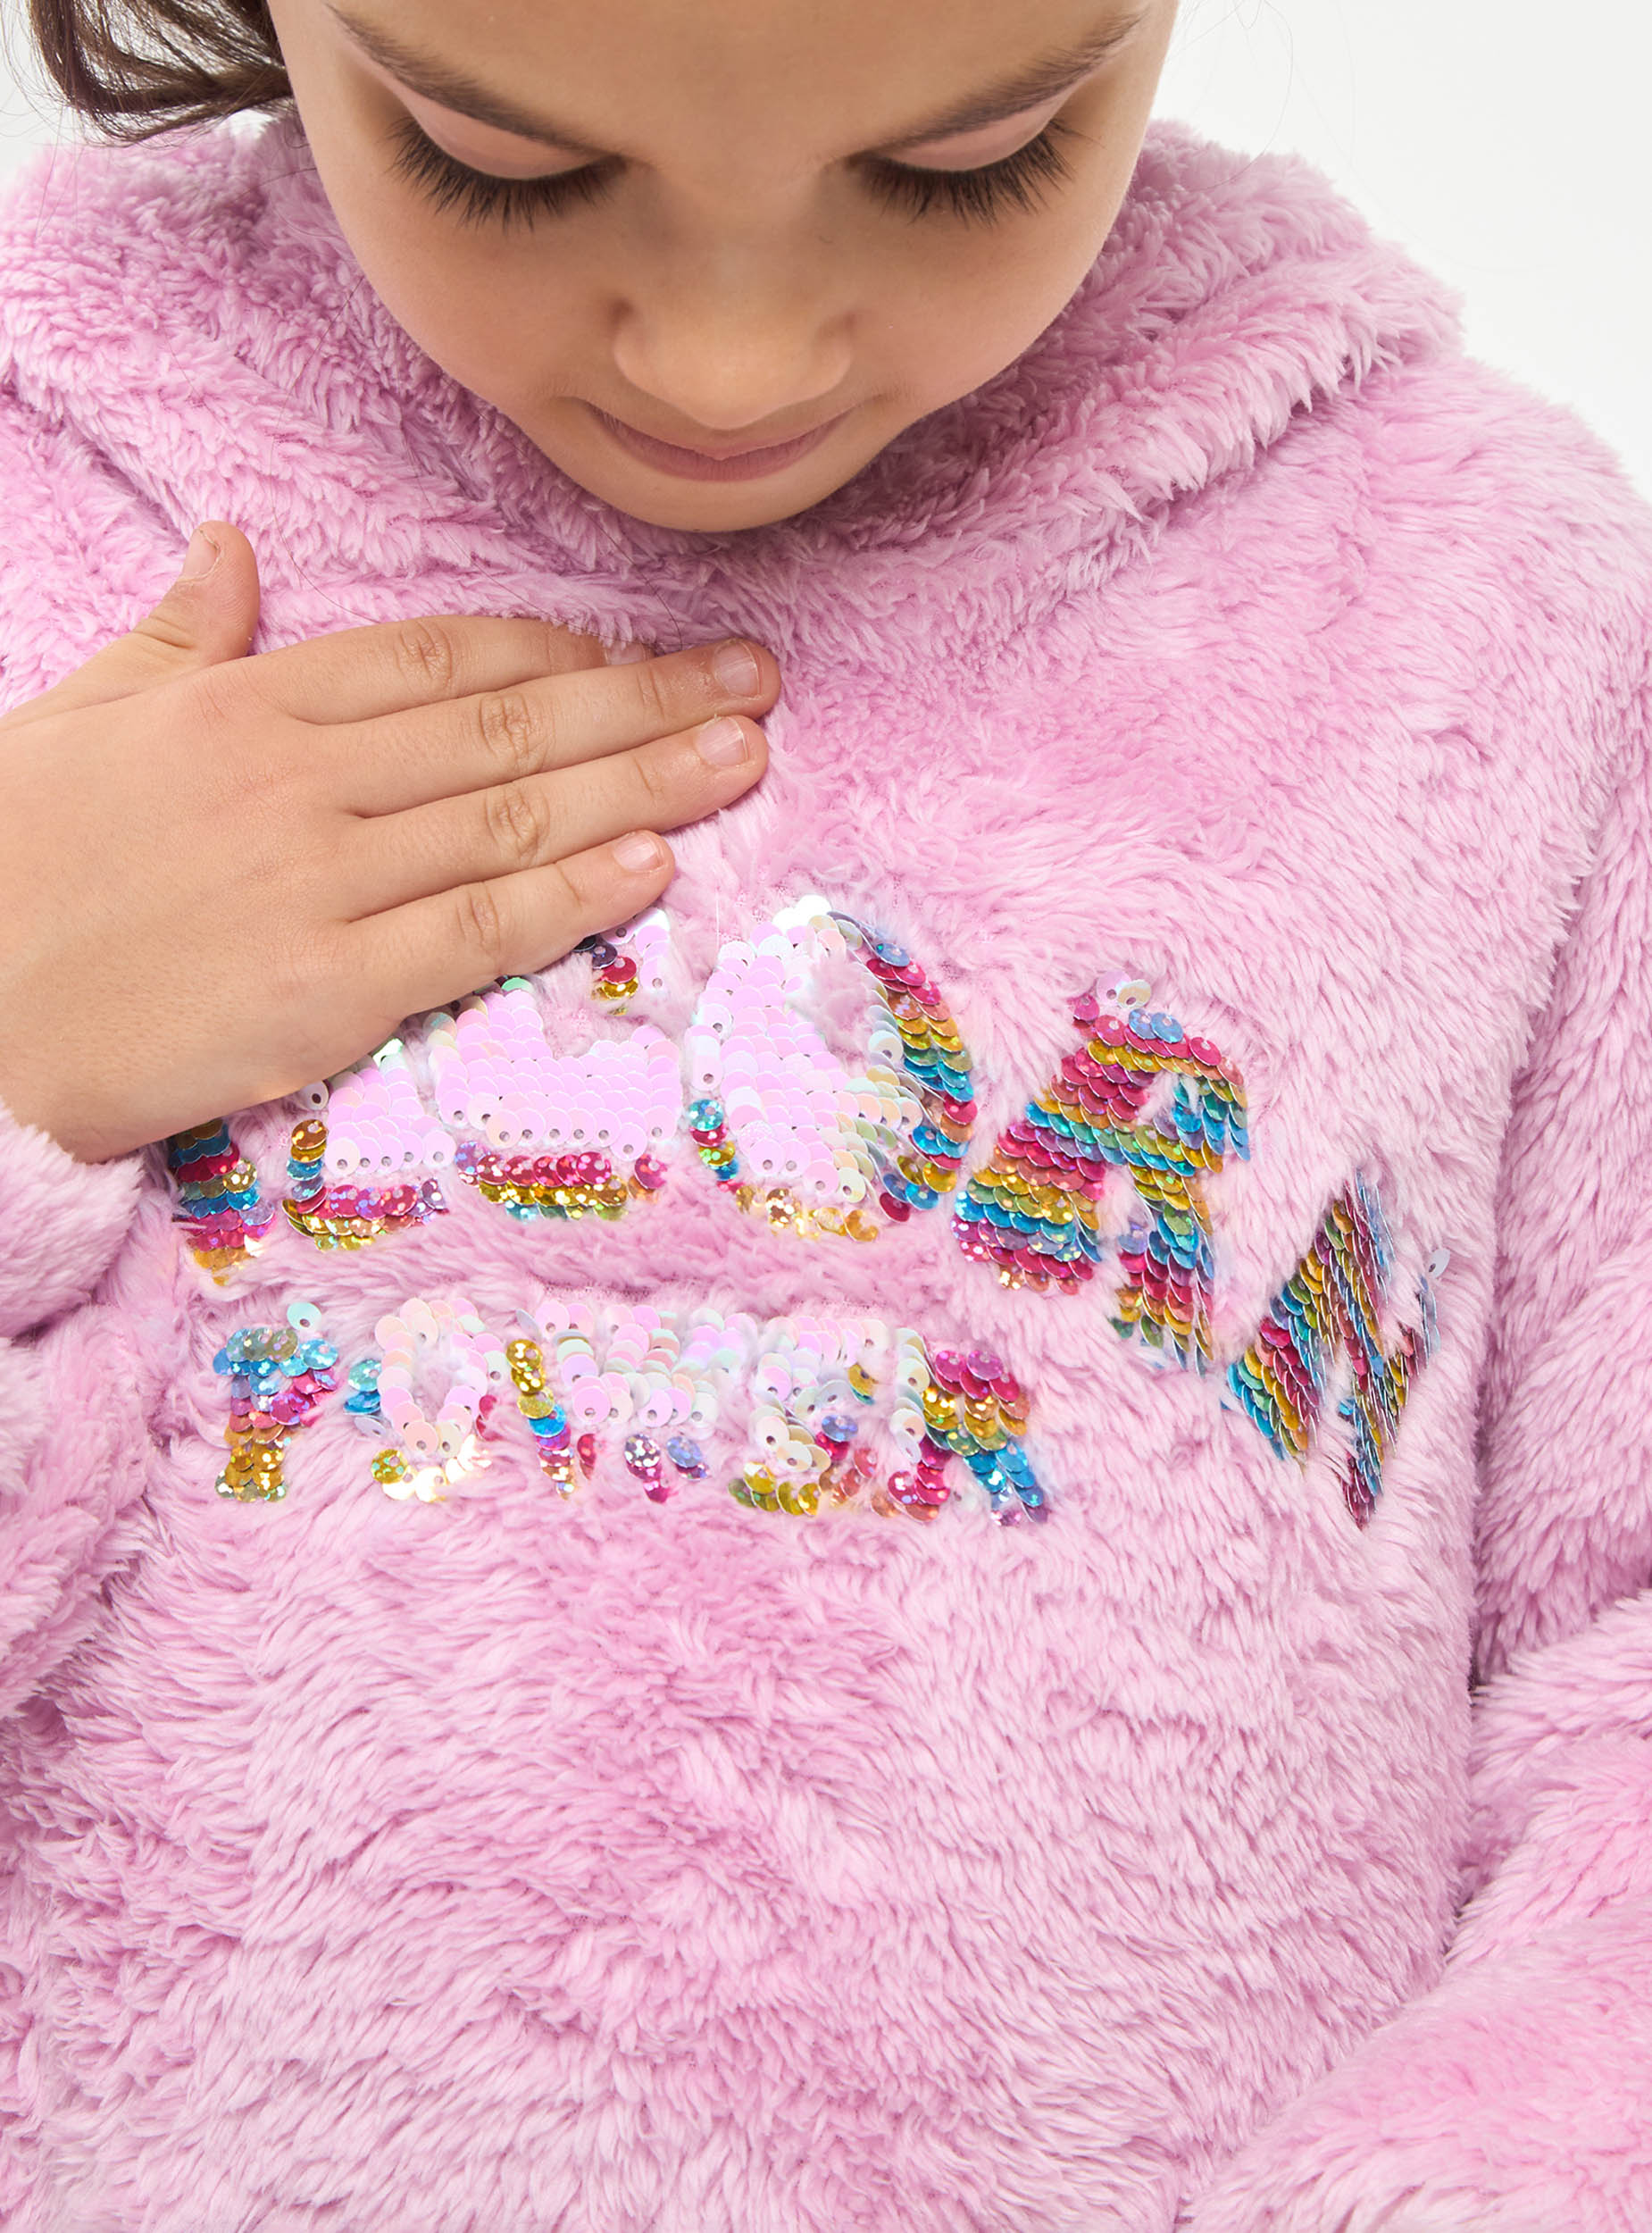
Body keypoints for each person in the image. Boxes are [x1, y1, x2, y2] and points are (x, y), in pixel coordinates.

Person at [0, 0, 1647, 2224]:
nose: (727, 362)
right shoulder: (42, 505)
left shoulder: (1481, 622)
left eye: (970, 163)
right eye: (503, 161)